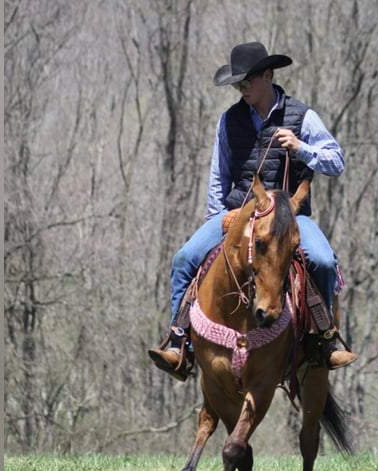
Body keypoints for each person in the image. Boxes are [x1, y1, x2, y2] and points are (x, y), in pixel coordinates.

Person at [148, 41, 357, 381]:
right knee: (184, 258)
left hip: (289, 218)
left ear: (267, 76)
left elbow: (337, 161)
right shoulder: (229, 121)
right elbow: (219, 174)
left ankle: (324, 341)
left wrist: (301, 148)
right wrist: (217, 218)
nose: (241, 89)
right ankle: (179, 343)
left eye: (246, 82)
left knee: (323, 260)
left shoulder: (303, 117)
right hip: (236, 213)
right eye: (237, 84)